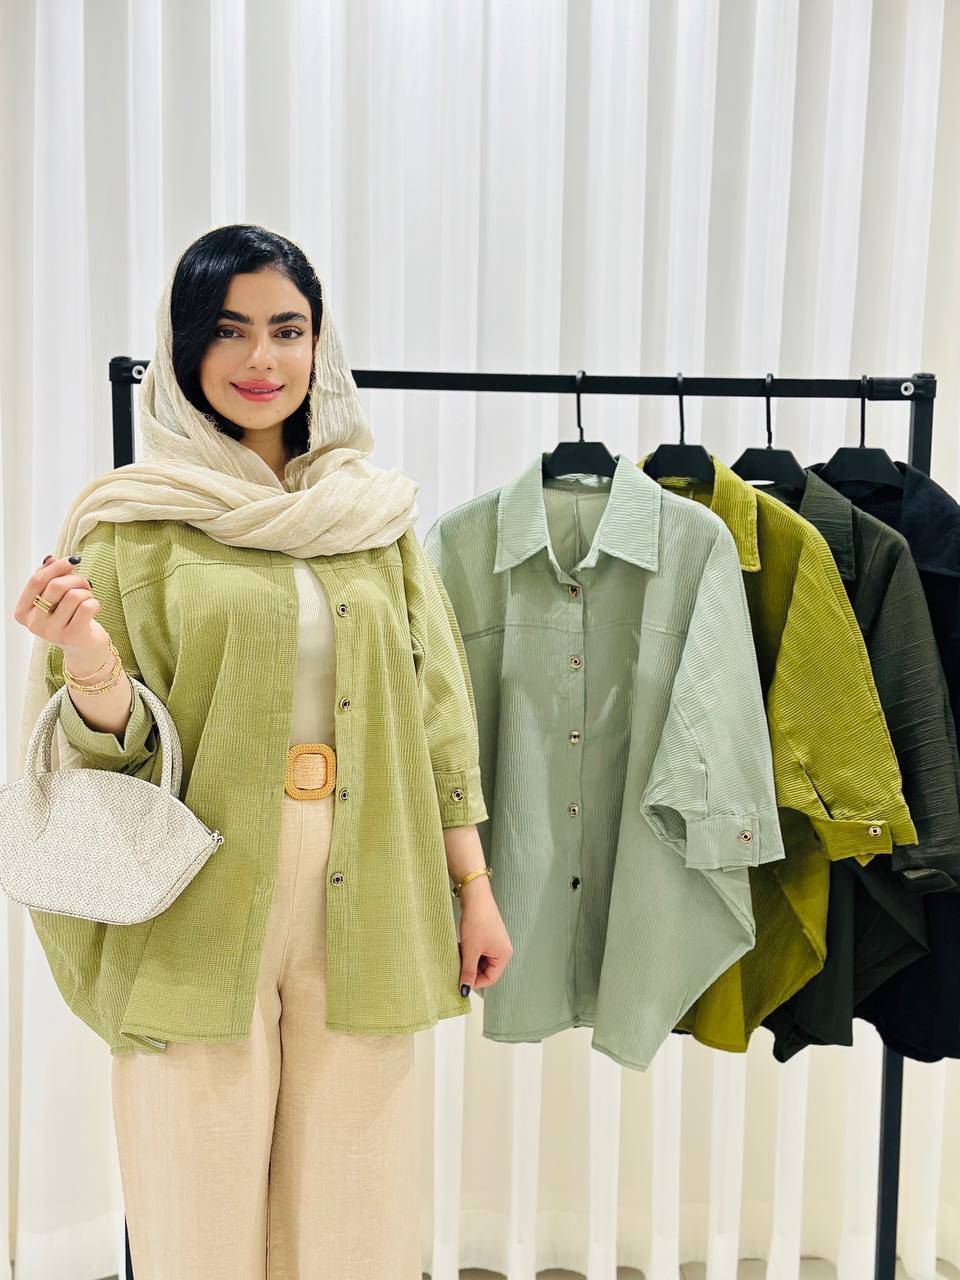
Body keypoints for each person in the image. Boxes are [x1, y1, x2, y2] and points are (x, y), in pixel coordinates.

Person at [13, 222, 512, 1278]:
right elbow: (103, 756)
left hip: (370, 879)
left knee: (358, 1213)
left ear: (319, 344)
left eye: (287, 329)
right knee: (195, 1213)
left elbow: (438, 712)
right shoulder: (131, 524)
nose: (261, 359)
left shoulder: (373, 518)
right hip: (194, 892)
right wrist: (89, 661)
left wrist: (473, 886)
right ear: (185, 346)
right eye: (229, 329)